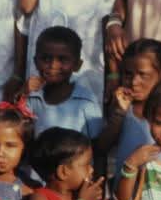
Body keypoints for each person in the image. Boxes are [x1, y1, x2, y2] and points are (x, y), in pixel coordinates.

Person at [102, 39, 161, 200]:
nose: (134, 82)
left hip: (158, 199)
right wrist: (119, 113)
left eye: (143, 75)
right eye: (128, 74)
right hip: (124, 197)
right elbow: (103, 145)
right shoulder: (123, 106)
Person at [26, 27, 107, 172]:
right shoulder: (32, 98)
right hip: (36, 181)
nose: (53, 65)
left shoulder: (86, 102)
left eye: (62, 59)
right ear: (35, 61)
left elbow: (99, 148)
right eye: (46, 59)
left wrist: (98, 180)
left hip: (74, 181)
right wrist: (22, 93)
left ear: (77, 65)